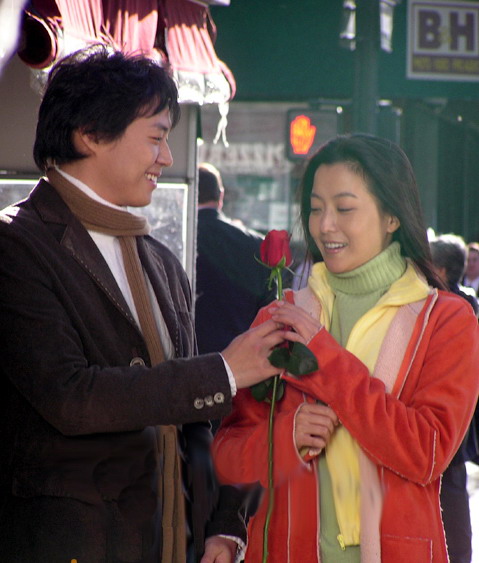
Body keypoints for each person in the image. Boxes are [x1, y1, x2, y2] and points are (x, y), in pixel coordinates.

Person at [0, 46, 288, 563]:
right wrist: (224, 371)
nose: (167, 158)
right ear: (90, 134)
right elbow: (70, 397)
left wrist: (224, 525)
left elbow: (194, 426)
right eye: (156, 137)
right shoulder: (16, 244)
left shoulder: (159, 260)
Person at [212, 134, 479, 562]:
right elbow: (226, 457)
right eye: (316, 208)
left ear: (392, 216)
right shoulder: (283, 317)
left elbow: (425, 453)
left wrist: (325, 360)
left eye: (344, 208)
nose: (324, 225)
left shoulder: (445, 319)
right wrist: (284, 437)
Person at [430, 233, 479, 563]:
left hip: (446, 417)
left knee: (450, 493)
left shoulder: (455, 307)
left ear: (442, 271)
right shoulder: (465, 303)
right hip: (453, 420)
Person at [195, 162, 276, 355]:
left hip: (187, 360)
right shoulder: (257, 245)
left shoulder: (176, 239)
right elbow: (269, 312)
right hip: (242, 360)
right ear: (221, 196)